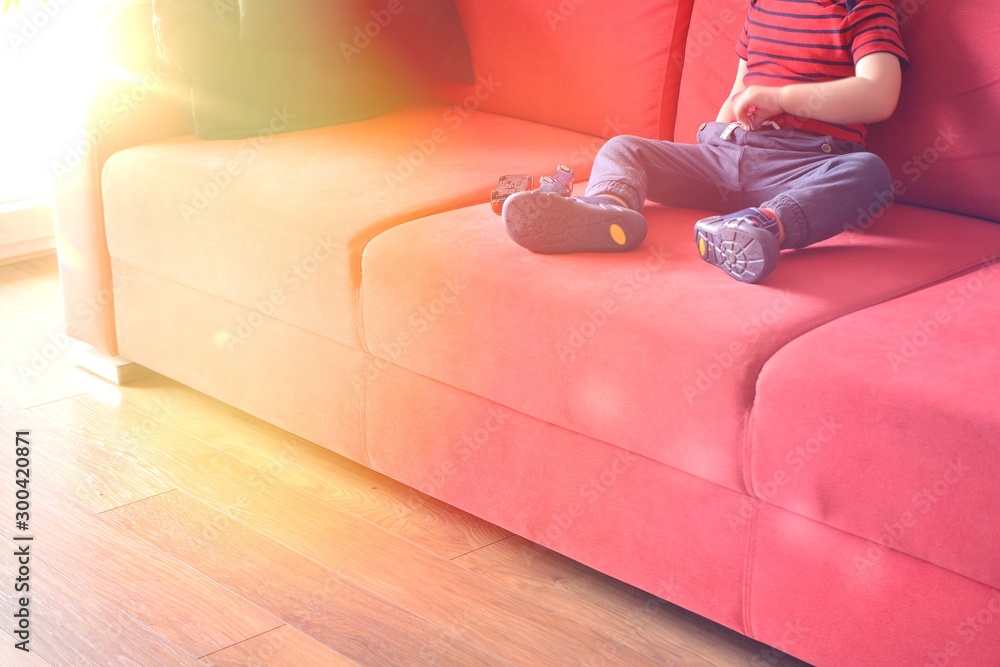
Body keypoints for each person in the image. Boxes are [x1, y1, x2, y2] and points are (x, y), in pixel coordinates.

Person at [502, 0, 909, 284]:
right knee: (624, 147)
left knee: (868, 171)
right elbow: (737, 95)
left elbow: (879, 95)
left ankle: (759, 226)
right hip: (727, 154)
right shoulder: (762, 7)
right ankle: (607, 210)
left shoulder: (864, 9)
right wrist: (715, 137)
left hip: (803, 166)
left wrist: (781, 98)